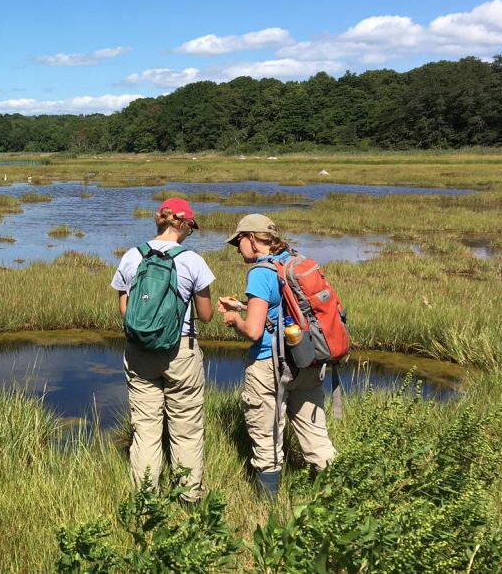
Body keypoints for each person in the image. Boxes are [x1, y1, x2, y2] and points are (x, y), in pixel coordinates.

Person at [218, 214, 336, 498]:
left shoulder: (260, 272)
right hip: (307, 359)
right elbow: (284, 310)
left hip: (269, 365)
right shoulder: (294, 261)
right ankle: (337, 499)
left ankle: (265, 512)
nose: (237, 248)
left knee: (268, 440)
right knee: (317, 437)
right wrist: (245, 305)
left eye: (238, 241)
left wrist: (235, 319)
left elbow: (255, 332)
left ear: (252, 238)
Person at [111, 197, 215, 502]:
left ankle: (146, 498)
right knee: (186, 429)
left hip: (139, 351)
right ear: (182, 224)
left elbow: (124, 309)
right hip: (181, 351)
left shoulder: (131, 256)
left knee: (145, 429)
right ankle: (188, 498)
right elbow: (206, 317)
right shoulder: (192, 261)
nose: (190, 233)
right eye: (191, 228)